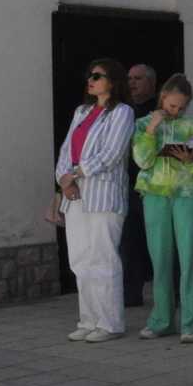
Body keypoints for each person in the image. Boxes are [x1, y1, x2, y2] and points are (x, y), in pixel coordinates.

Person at [55, 59, 136, 342]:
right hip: (75, 195)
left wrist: (76, 173)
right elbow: (67, 149)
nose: (91, 80)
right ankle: (88, 320)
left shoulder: (123, 113)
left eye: (97, 76)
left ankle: (110, 323)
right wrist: (64, 179)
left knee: (103, 258)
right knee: (79, 259)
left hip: (103, 195)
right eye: (89, 75)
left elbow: (111, 153)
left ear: (112, 82)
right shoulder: (82, 111)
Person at [132, 74, 193, 343]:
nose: (175, 111)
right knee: (160, 259)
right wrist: (152, 130)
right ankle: (161, 320)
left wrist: (191, 160)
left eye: (181, 107)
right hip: (154, 195)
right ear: (162, 97)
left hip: (187, 195)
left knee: (191, 258)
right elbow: (142, 161)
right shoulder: (143, 124)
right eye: (172, 105)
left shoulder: (192, 126)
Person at [121, 63, 158, 307]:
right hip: (128, 186)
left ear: (152, 83)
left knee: (159, 243)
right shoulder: (123, 111)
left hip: (155, 188)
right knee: (129, 242)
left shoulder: (161, 111)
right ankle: (131, 295)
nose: (132, 82)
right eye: (129, 78)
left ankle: (171, 294)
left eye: (138, 78)